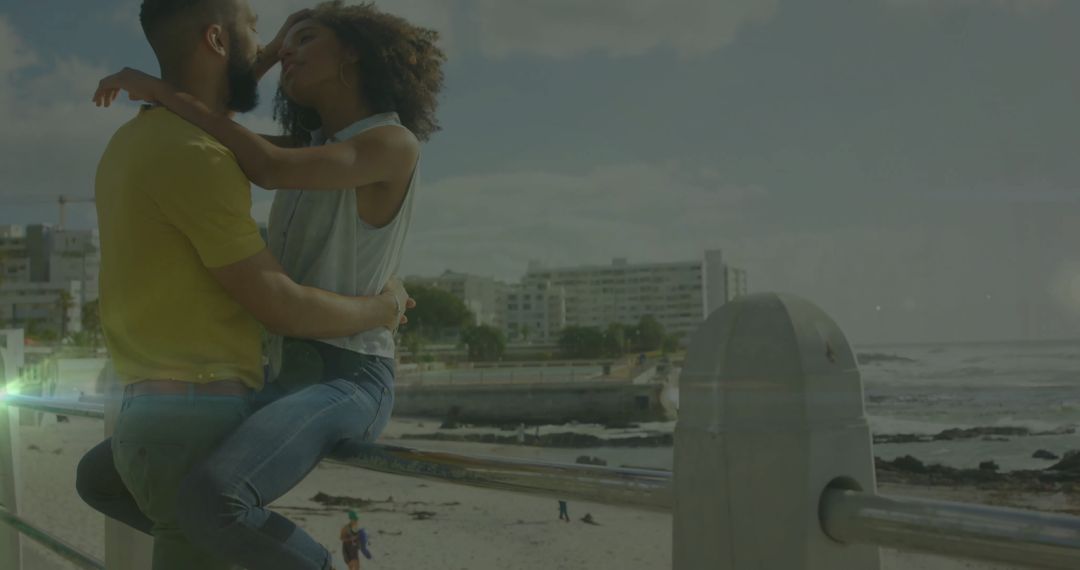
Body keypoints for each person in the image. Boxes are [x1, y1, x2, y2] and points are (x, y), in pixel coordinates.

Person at [79, 1, 445, 569]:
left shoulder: (391, 143)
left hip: (348, 373)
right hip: (285, 369)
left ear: (351, 53)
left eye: (305, 39)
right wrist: (259, 54)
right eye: (277, 42)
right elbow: (229, 127)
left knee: (211, 501)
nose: (286, 50)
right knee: (101, 477)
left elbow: (263, 163)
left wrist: (161, 87)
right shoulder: (313, 145)